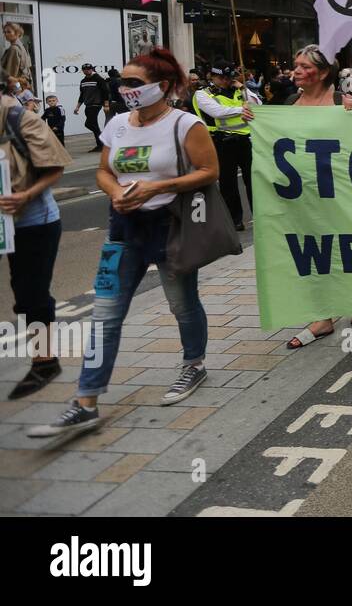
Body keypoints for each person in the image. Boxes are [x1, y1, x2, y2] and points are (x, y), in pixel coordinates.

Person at [26, 48, 221, 440]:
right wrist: (116, 191)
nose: (124, 87)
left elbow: (209, 171)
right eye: (122, 80)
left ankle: (194, 364)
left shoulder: (185, 124)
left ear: (162, 86)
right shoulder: (116, 124)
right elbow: (103, 170)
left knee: (182, 304)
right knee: (105, 315)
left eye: (134, 82)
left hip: (170, 228)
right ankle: (85, 403)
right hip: (123, 232)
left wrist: (157, 187)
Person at [277, 45, 352, 349]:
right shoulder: (288, 103)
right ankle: (322, 316)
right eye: (294, 64)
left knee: (349, 247)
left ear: (324, 72)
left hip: (342, 194)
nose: (295, 71)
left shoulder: (343, 102)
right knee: (314, 250)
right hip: (304, 195)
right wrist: (255, 118)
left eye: (304, 66)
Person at [1, 80, 72, 399]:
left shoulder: (21, 119)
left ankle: (45, 361)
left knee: (30, 294)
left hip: (34, 221)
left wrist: (25, 195)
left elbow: (56, 168)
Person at [192, 61, 256, 232]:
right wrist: (242, 110)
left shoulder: (239, 90)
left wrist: (244, 88)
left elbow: (258, 104)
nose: (226, 81)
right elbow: (217, 112)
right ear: (212, 76)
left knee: (253, 181)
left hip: (245, 141)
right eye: (221, 77)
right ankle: (235, 220)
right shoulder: (203, 94)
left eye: (229, 77)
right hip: (221, 141)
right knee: (228, 183)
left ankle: (259, 216)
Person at [73, 63, 110, 152]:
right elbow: (82, 95)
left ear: (92, 69)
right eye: (85, 69)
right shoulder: (83, 81)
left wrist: (106, 105)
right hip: (88, 105)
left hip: (96, 104)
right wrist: (77, 107)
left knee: (89, 124)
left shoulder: (98, 79)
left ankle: (102, 143)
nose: (87, 70)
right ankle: (101, 144)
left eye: (89, 69)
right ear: (82, 71)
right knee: (92, 124)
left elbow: (105, 92)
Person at [1, 21, 33, 87]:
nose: (6, 34)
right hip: (24, 86)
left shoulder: (14, 49)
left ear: (17, 33)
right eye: (5, 32)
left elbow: (10, 74)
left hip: (16, 88)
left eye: (9, 32)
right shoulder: (23, 47)